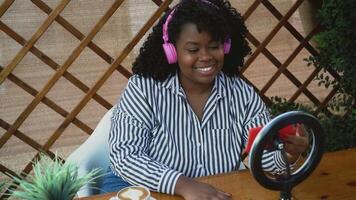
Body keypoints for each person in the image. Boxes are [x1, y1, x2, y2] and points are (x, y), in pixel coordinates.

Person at [101, 0, 308, 199]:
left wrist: (287, 154)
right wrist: (182, 184)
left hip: (211, 191)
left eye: (214, 46)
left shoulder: (242, 95)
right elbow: (125, 156)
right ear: (172, 51)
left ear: (225, 47)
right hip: (138, 189)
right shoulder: (144, 88)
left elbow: (259, 155)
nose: (206, 56)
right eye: (193, 49)